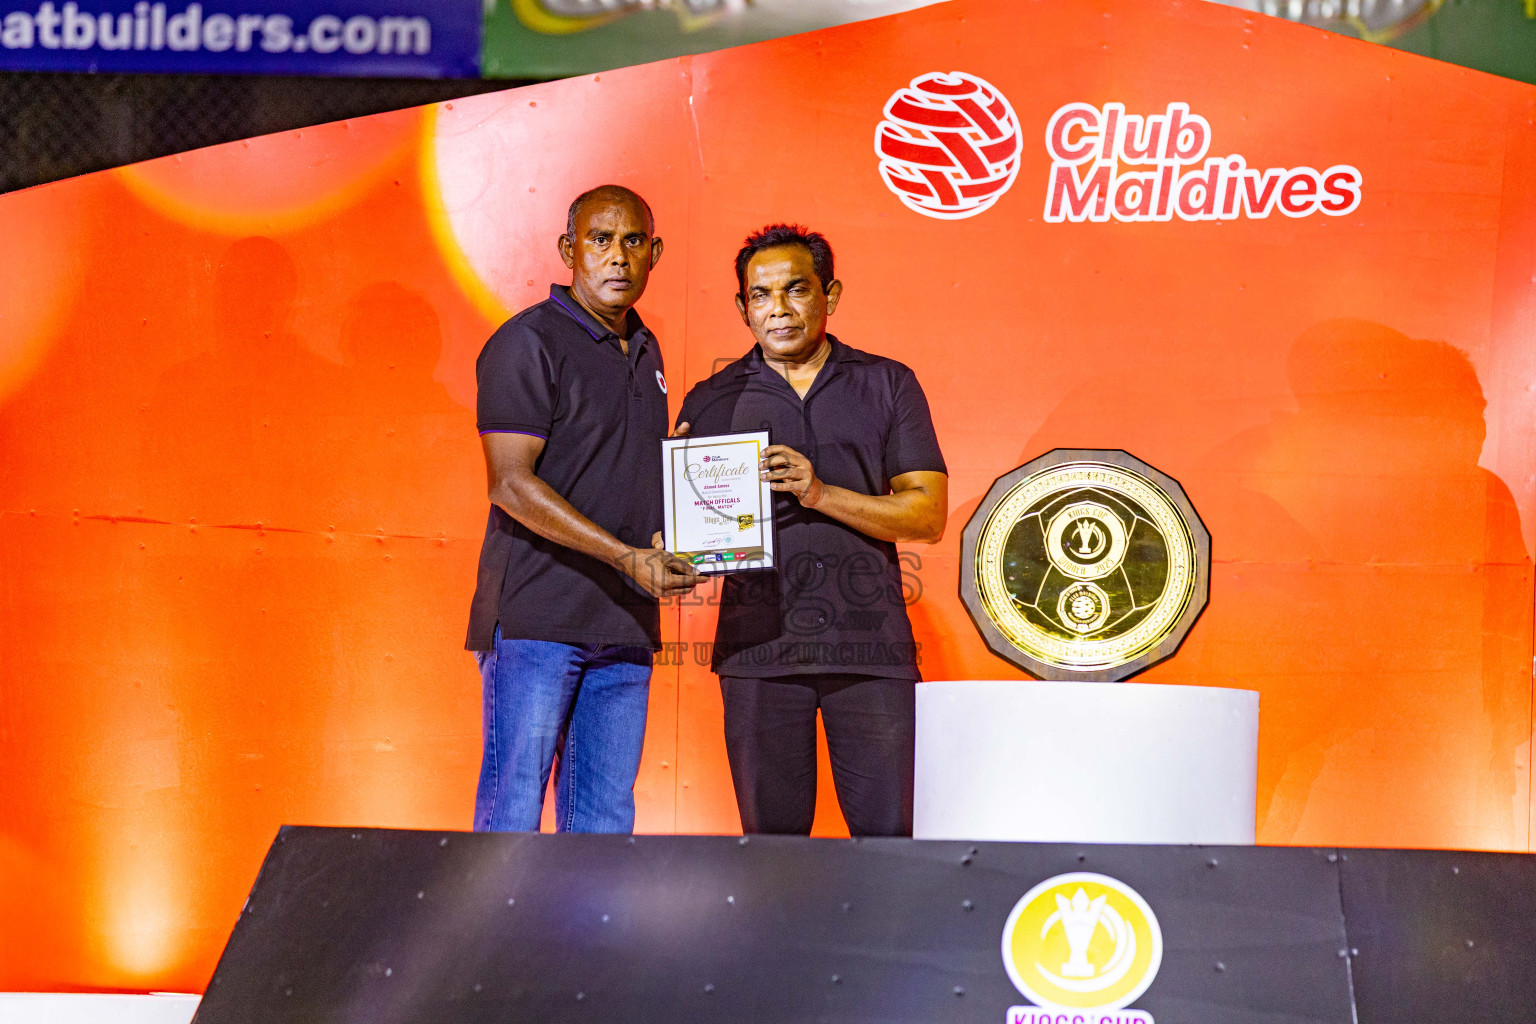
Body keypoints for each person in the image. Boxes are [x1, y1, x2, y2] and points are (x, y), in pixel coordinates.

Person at [675, 224, 948, 837]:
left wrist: (820, 493)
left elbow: (927, 515)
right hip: (758, 652)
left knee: (890, 849)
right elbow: (689, 537)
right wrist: (679, 506)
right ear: (742, 306)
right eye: (760, 294)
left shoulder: (886, 383)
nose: (779, 309)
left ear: (831, 294)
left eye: (797, 290)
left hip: (870, 650)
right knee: (772, 858)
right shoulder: (712, 398)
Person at [467, 185, 700, 834]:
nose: (617, 258)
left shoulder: (646, 349)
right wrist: (627, 556)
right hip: (539, 619)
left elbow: (615, 471)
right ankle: (497, 942)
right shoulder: (528, 342)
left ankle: (579, 944)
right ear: (570, 250)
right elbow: (511, 485)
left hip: (624, 626)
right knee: (512, 815)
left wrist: (687, 500)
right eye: (600, 240)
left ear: (654, 253)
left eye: (632, 242)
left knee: (603, 827)